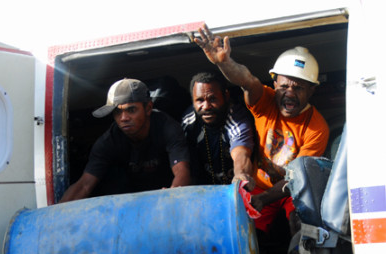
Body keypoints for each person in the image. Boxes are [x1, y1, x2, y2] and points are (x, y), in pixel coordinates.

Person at [194, 24, 329, 236]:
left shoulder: (317, 127)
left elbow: (297, 180)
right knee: (241, 230)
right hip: (259, 185)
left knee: (302, 223)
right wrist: (225, 62)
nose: (290, 94)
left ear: (312, 90)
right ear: (274, 83)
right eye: (284, 86)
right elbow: (247, 81)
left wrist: (264, 200)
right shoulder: (265, 100)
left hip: (294, 190)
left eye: (298, 88)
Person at [59, 78, 191, 203]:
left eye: (131, 110)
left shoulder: (168, 128)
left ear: (148, 108)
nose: (123, 118)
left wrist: (172, 197)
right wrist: (57, 216)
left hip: (165, 194)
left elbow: (182, 171)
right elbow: (84, 185)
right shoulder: (108, 141)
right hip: (130, 200)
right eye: (117, 112)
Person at [182, 72, 255, 188]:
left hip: (234, 188)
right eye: (200, 100)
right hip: (204, 189)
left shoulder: (237, 118)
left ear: (226, 96)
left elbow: (241, 153)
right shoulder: (188, 122)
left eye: (212, 99)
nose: (206, 106)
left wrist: (241, 175)